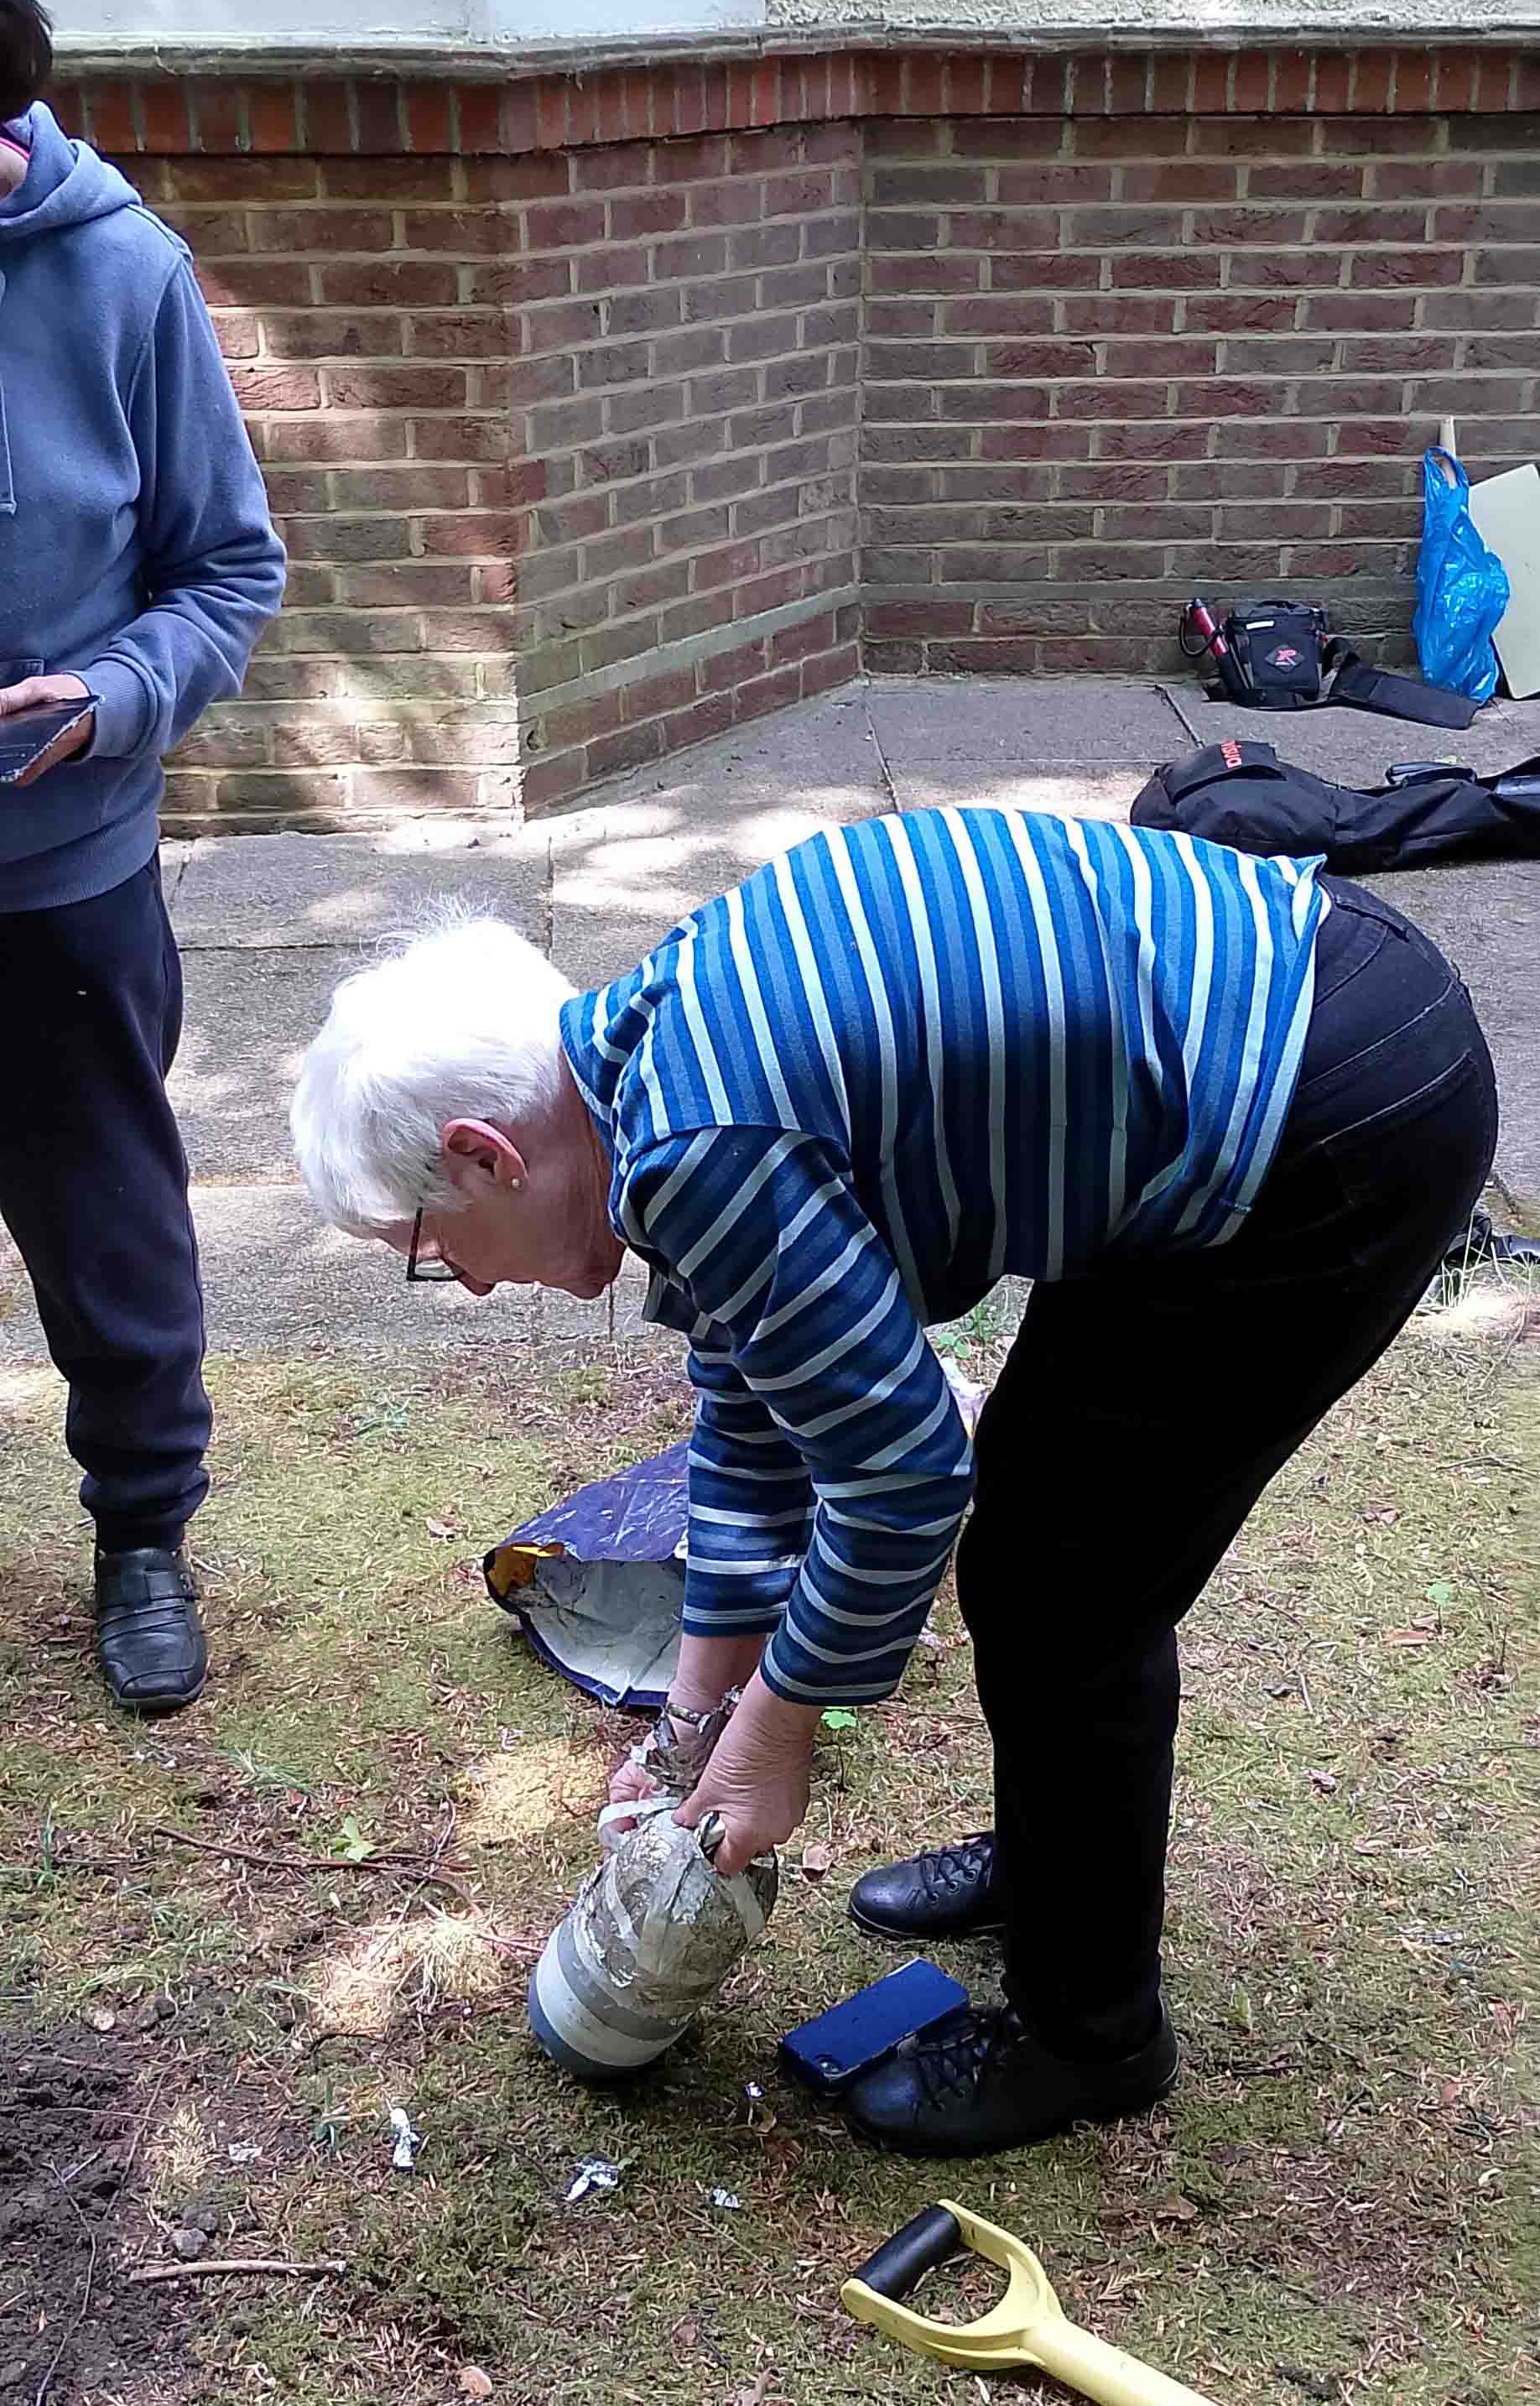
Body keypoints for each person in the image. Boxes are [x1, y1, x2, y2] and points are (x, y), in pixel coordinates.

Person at [289, 805, 1496, 2158]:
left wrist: (775, 1734)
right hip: (1285, 1029)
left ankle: (1091, 2036)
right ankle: (1055, 1867)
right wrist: (692, 1721)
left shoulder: (698, 1147)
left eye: (428, 1246)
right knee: (1040, 1524)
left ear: (487, 1156)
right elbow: (755, 1402)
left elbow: (905, 1477)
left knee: (1066, 1586)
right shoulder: (649, 1069)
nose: (460, 1281)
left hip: (1326, 1114)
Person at [0, 0, 285, 1712]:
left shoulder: (121, 274)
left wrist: (114, 696)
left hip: (58, 877)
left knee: (107, 1226)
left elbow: (230, 571)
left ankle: (142, 1533)